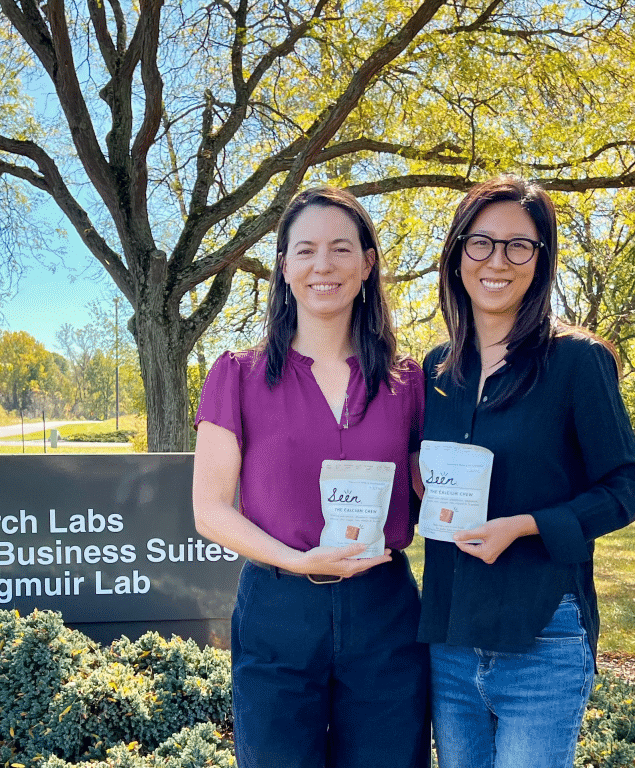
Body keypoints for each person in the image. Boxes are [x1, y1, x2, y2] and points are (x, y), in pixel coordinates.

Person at [192, 185, 429, 768]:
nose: (323, 266)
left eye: (342, 249)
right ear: (284, 267)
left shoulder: (409, 380)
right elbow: (211, 510)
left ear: (368, 264)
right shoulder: (237, 375)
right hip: (279, 610)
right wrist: (299, 561)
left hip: (384, 611)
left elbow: (431, 487)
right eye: (306, 251)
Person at [419, 174, 635, 768]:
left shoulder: (576, 360)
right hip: (450, 636)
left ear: (541, 260)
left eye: (519, 245)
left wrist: (523, 525)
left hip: (541, 633)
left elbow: (626, 489)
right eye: (481, 242)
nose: (497, 260)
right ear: (457, 253)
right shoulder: (437, 370)